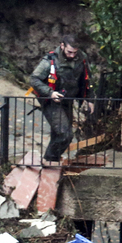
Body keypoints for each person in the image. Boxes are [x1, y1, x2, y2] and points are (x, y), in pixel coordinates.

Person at [29, 35, 93, 164]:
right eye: (69, 52)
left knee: (58, 135)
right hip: (51, 101)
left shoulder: (82, 58)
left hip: (68, 100)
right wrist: (50, 93)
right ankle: (49, 161)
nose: (72, 55)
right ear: (62, 46)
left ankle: (52, 163)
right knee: (65, 135)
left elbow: (86, 79)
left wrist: (90, 99)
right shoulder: (50, 59)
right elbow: (34, 79)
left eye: (75, 52)